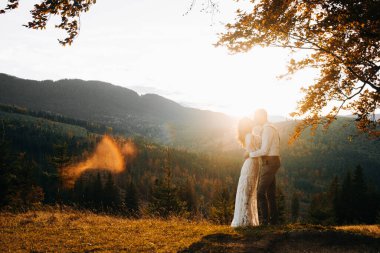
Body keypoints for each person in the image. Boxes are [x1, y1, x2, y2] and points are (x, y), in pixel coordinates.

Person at [246, 109, 281, 225]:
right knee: (270, 193)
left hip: (270, 162)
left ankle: (265, 222)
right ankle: (274, 221)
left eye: (256, 117)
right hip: (271, 161)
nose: (255, 119)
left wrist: (250, 154)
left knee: (260, 193)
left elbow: (265, 150)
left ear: (262, 117)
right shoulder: (270, 128)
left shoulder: (267, 129)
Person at [231, 117, 261, 227]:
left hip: (253, 163)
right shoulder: (249, 136)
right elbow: (253, 151)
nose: (252, 121)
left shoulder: (249, 135)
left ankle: (246, 220)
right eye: (249, 121)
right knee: (248, 190)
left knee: (249, 190)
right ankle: (246, 220)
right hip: (251, 164)